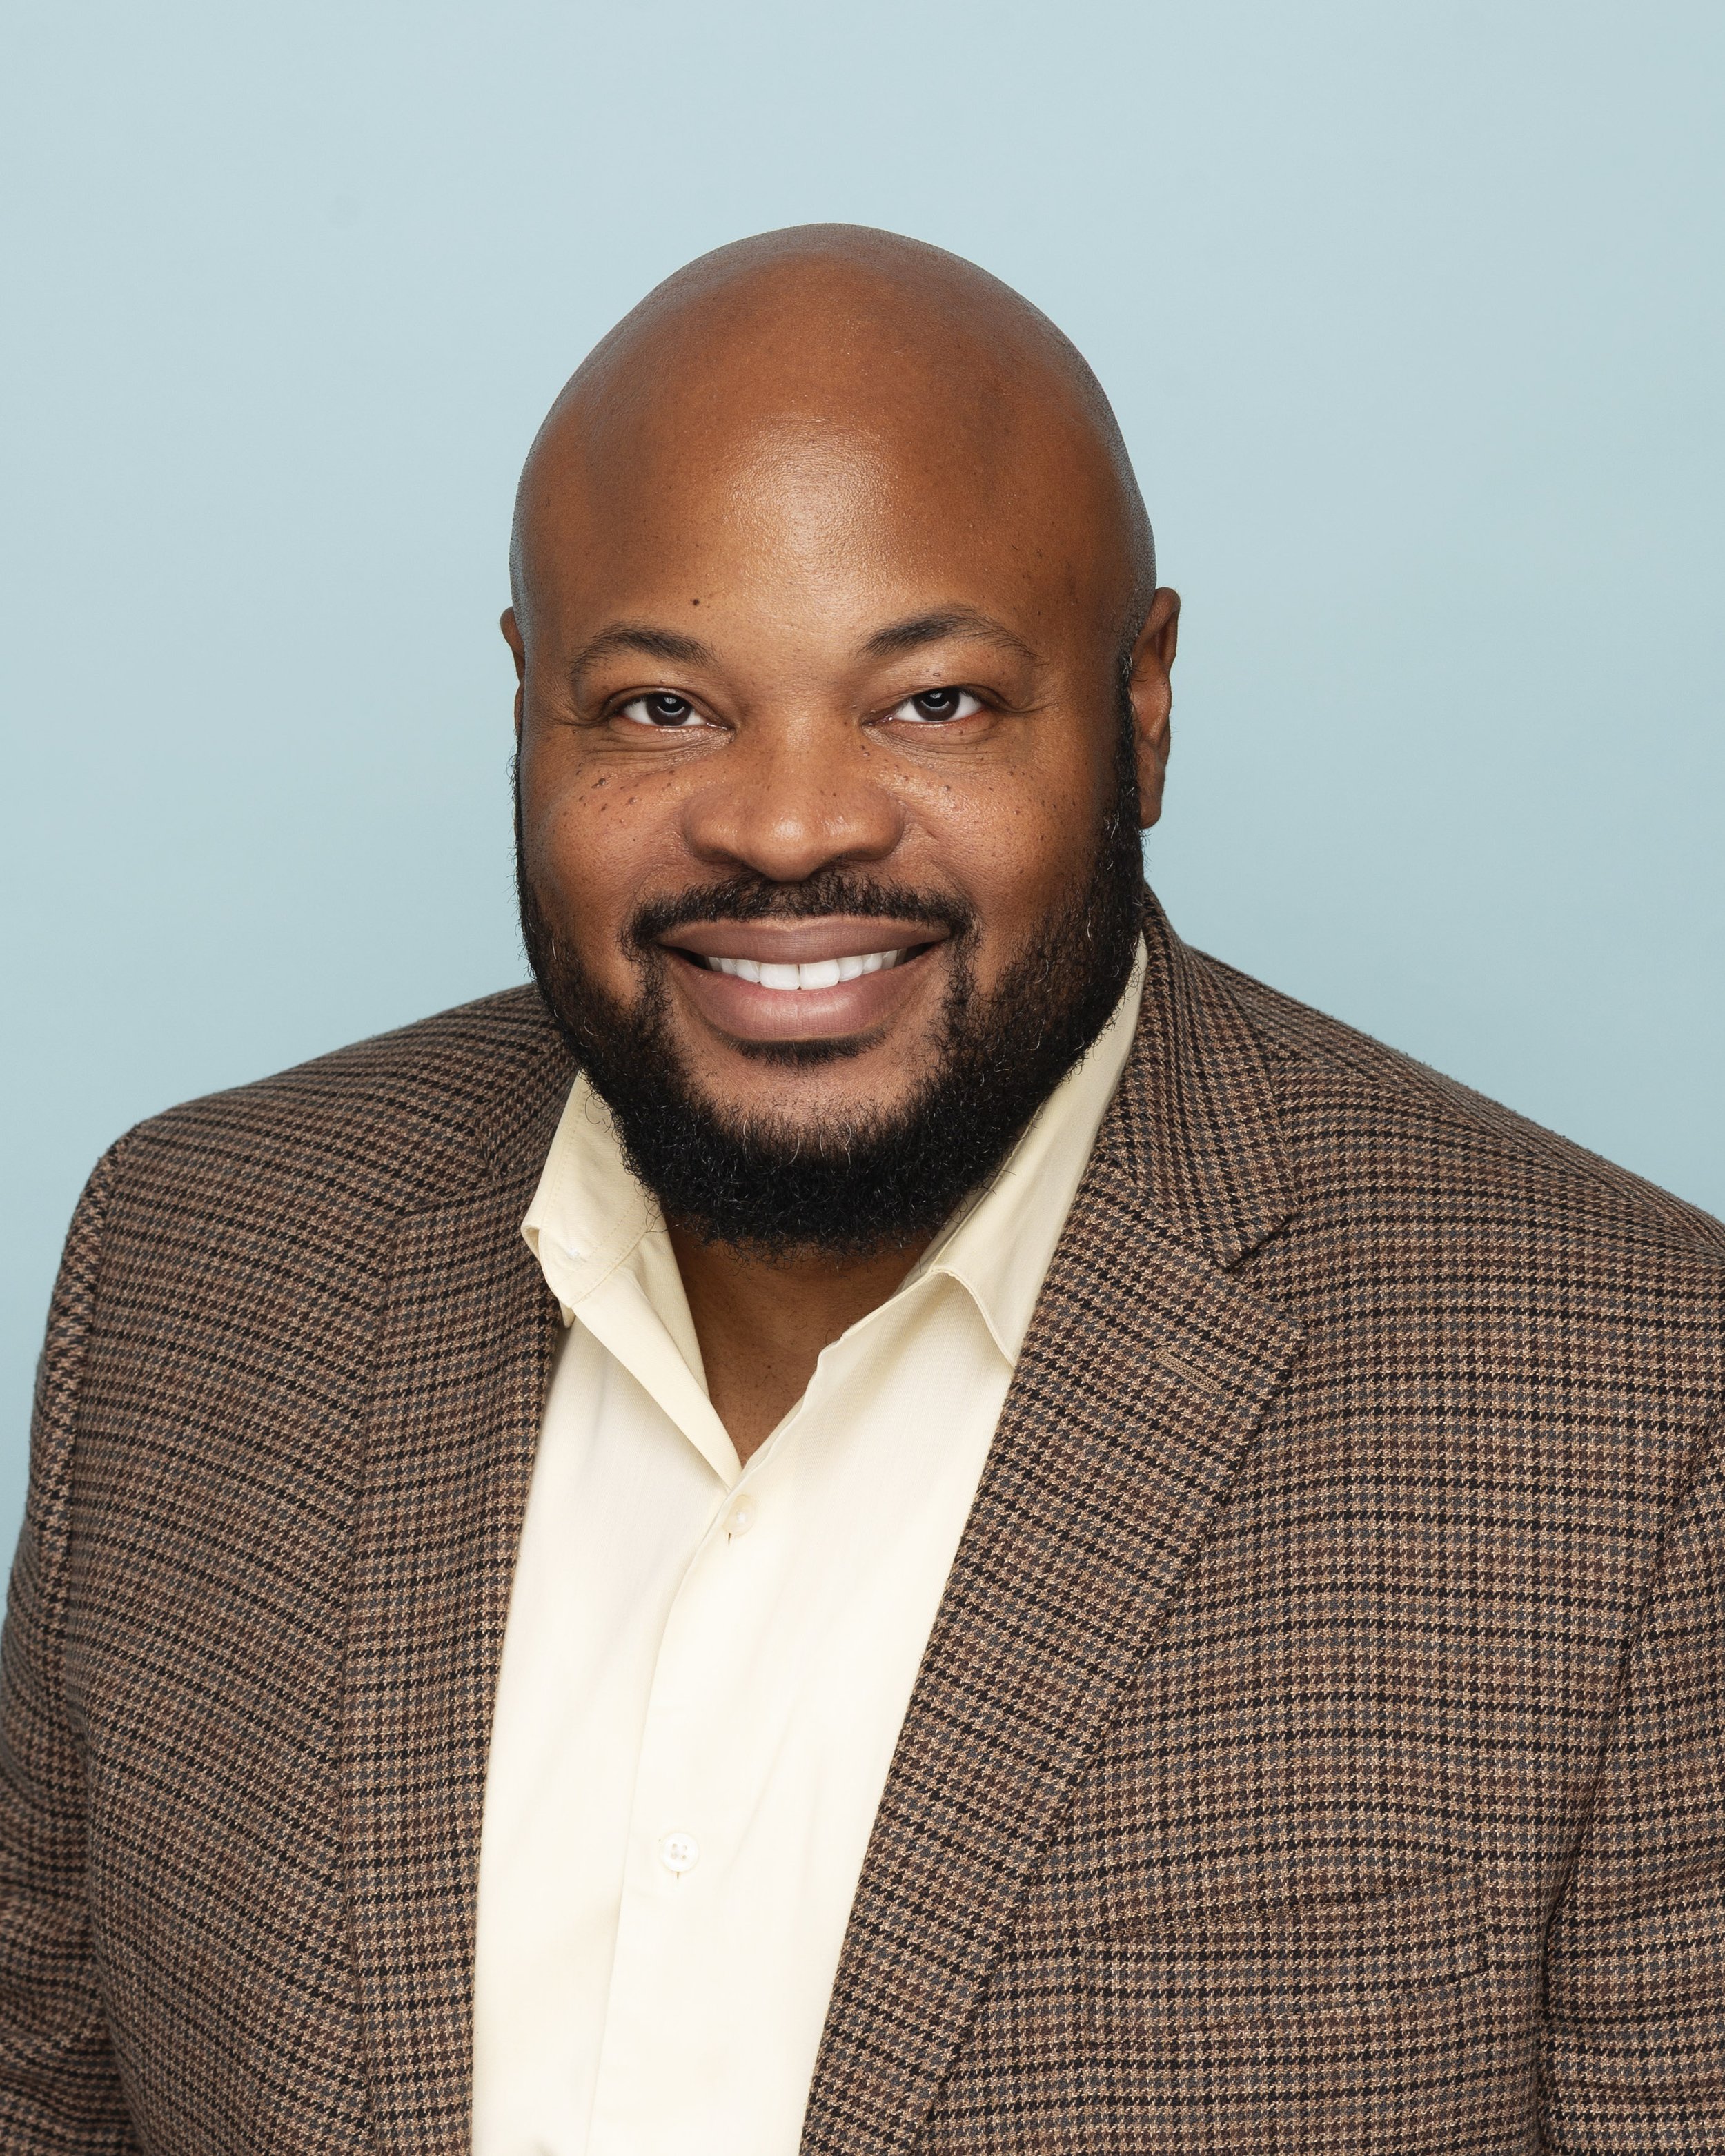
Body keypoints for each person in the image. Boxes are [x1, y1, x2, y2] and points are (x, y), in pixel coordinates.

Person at [2, 224, 1721, 2156]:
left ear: (1139, 703)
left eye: (935, 702)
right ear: (522, 702)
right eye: (661, 703)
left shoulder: (1636, 1411)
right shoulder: (186, 1271)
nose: (789, 819)